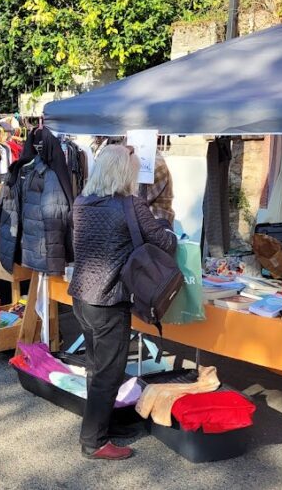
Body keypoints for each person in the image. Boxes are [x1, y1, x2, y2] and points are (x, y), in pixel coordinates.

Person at [68, 145, 177, 461]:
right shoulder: (131, 206)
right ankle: (94, 441)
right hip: (109, 301)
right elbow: (165, 244)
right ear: (123, 173)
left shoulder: (82, 203)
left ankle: (103, 426)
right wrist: (168, 226)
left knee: (95, 368)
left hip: (82, 297)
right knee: (109, 373)